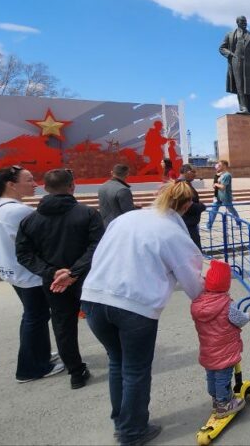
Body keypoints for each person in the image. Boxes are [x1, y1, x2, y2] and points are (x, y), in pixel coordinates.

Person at [80, 181, 205, 445]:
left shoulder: (125, 219)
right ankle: (132, 431)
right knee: (135, 369)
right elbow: (192, 281)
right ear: (186, 206)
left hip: (94, 298)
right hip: (134, 306)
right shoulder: (173, 233)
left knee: (117, 362)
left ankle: (122, 421)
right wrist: (209, 301)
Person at [16, 168, 103, 389]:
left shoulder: (30, 221)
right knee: (104, 319)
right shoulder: (88, 214)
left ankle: (75, 373)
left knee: (63, 326)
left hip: (55, 283)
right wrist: (72, 272)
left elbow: (24, 255)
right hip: (87, 279)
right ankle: (119, 358)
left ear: (45, 188)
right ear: (72, 186)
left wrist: (51, 272)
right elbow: (98, 247)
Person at [0, 165, 65, 383]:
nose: (35, 184)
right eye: (29, 180)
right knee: (35, 317)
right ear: (11, 185)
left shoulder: (2, 205)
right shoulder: (17, 211)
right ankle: (31, 368)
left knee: (34, 316)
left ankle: (39, 355)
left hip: (16, 272)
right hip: (29, 274)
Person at [191, 260, 250, 418]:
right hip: (224, 350)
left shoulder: (198, 304)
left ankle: (216, 400)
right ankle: (224, 405)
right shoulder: (227, 304)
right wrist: (247, 316)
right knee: (223, 376)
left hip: (207, 349)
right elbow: (239, 319)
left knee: (211, 374)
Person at [219, 15, 250, 113]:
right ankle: (243, 107)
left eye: (245, 21)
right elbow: (222, 48)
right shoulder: (230, 34)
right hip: (236, 63)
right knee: (239, 86)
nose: (244, 23)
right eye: (242, 21)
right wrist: (231, 55)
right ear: (237, 23)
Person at [97, 164, 140, 228]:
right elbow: (128, 212)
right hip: (119, 226)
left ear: (112, 173)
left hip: (106, 226)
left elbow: (109, 205)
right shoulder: (123, 190)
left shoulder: (102, 187)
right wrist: (137, 208)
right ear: (127, 174)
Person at [177, 165, 207, 248]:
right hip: (187, 225)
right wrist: (202, 206)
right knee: (194, 251)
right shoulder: (181, 185)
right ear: (186, 172)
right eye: (193, 172)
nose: (195, 174)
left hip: (188, 224)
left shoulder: (184, 183)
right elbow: (188, 206)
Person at [205, 160, 239, 230]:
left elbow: (223, 187)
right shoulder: (220, 175)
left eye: (220, 165)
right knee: (213, 211)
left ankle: (238, 223)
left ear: (224, 166)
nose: (218, 166)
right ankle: (209, 226)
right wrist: (215, 185)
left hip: (225, 197)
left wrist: (216, 184)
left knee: (232, 210)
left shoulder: (227, 175)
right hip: (218, 196)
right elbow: (216, 185)